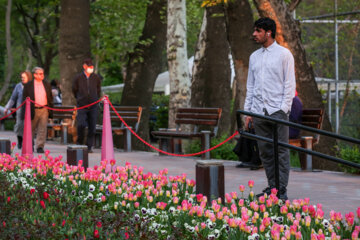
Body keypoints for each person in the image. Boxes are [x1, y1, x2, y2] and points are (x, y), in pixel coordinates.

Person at [243, 17, 296, 200]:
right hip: (258, 111)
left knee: (281, 152)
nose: (254, 34)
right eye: (254, 30)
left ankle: (282, 190)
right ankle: (273, 188)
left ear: (269, 32)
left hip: (277, 112)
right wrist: (248, 111)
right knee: (265, 152)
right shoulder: (254, 57)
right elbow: (251, 86)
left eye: (258, 31)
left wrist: (283, 109)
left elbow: (289, 85)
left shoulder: (284, 54)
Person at [72, 58, 101, 153]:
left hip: (93, 105)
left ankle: (89, 146)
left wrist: (96, 98)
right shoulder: (78, 77)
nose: (91, 68)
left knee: (92, 126)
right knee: (81, 124)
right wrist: (80, 98)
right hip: (82, 105)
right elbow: (74, 89)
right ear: (84, 66)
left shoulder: (96, 77)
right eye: (89, 67)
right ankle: (79, 142)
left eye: (92, 67)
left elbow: (98, 89)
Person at [21, 67, 53, 153]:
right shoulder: (28, 85)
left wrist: (51, 110)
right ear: (35, 75)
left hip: (44, 109)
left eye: (42, 73)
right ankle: (29, 145)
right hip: (32, 109)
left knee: (42, 129)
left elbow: (50, 97)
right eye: (40, 73)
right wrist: (24, 113)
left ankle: (40, 146)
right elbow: (24, 99)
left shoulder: (46, 84)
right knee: (31, 128)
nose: (42, 75)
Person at [4, 71, 33, 149]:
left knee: (29, 126)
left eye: (24, 77)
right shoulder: (18, 86)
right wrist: (7, 107)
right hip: (20, 107)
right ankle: (20, 140)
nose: (22, 79)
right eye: (21, 77)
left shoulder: (32, 85)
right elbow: (13, 98)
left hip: (30, 107)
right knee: (19, 124)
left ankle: (31, 143)